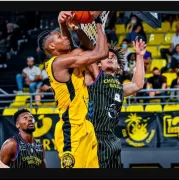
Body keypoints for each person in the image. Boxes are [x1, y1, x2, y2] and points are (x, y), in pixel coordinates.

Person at [38, 11, 108, 168]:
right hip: (71, 130)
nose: (64, 37)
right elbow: (101, 53)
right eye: (60, 37)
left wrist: (71, 27)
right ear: (52, 46)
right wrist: (97, 22)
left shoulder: (68, 59)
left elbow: (87, 48)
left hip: (86, 127)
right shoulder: (57, 63)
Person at [85, 37, 146, 168]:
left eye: (113, 57)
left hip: (112, 139)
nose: (110, 57)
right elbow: (88, 53)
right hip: (93, 136)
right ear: (98, 63)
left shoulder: (119, 86)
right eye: (106, 56)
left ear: (118, 66)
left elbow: (137, 84)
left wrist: (139, 56)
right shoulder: (93, 76)